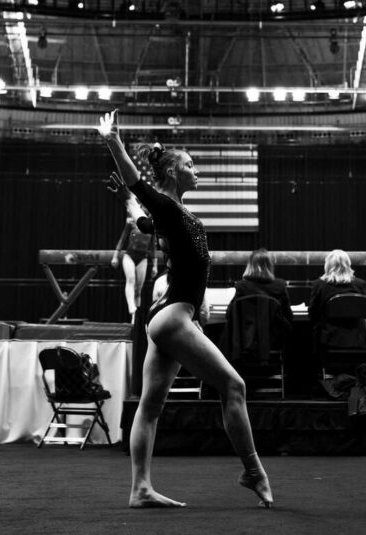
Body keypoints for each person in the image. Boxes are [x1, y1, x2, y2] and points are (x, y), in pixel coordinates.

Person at [98, 110, 273, 508]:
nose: (197, 170)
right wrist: (113, 141)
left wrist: (127, 200)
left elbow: (142, 221)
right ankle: (252, 469)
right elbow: (137, 182)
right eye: (191, 165)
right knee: (234, 386)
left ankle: (140, 488)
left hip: (167, 318)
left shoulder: (172, 216)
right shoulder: (168, 207)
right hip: (174, 316)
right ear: (174, 173)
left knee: (151, 406)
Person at [220, 248, 293, 359]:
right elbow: (288, 316)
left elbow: (229, 314)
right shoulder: (280, 286)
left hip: (245, 341)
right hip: (273, 340)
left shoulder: (242, 286)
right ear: (269, 266)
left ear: (250, 265)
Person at [307, 249, 366, 349]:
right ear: (348, 264)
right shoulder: (360, 284)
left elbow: (312, 314)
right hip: (359, 339)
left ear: (327, 266)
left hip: (328, 340)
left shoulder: (319, 285)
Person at [111, 194, 157, 321]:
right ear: (140, 207)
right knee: (130, 279)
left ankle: (134, 318)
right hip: (129, 255)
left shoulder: (152, 226)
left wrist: (155, 266)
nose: (146, 210)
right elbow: (122, 240)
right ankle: (131, 307)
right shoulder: (131, 223)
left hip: (143, 258)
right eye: (144, 207)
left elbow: (153, 247)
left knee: (138, 289)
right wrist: (115, 256)